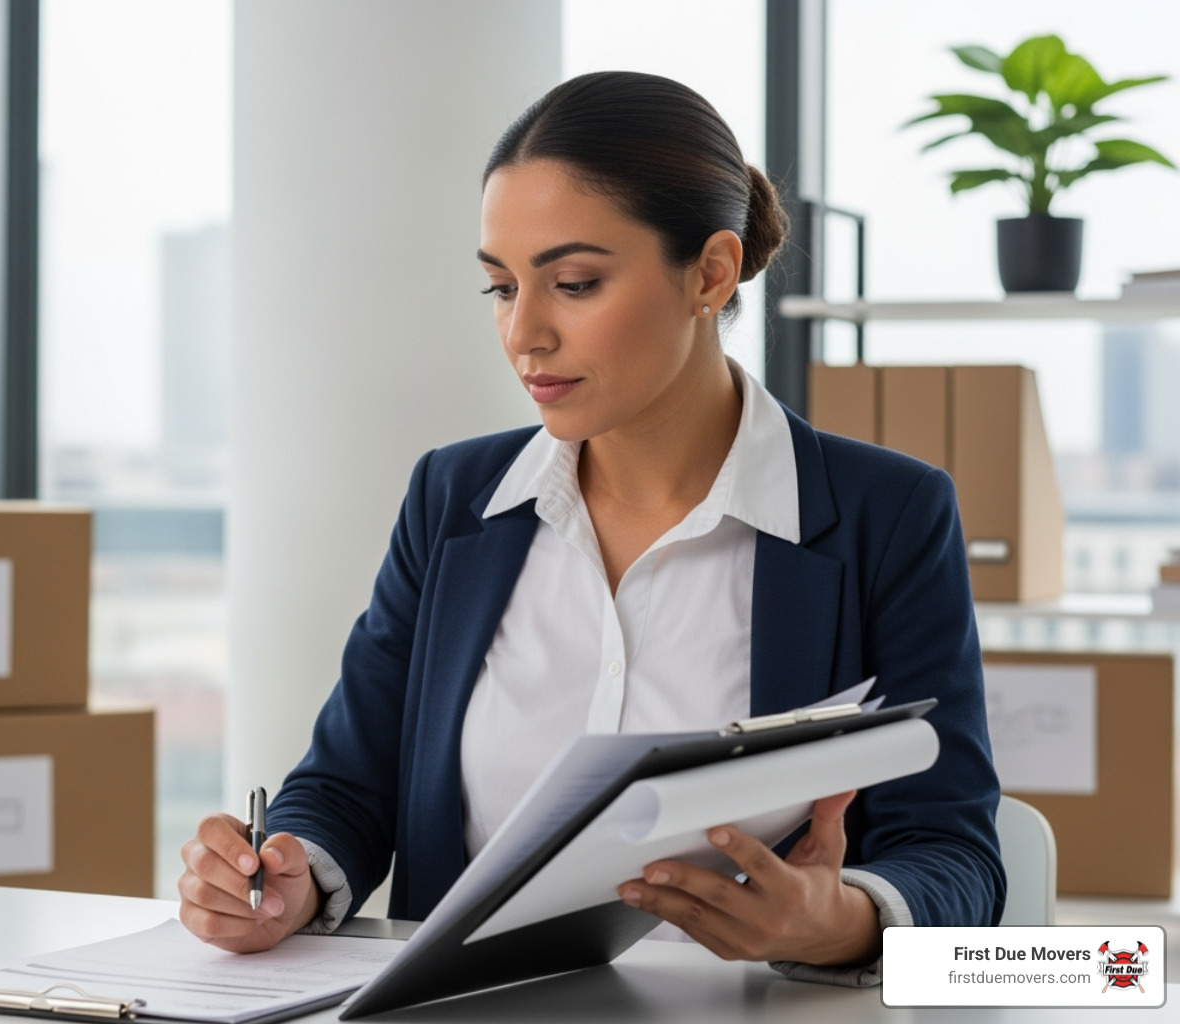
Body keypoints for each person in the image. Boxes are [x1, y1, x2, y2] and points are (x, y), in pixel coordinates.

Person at [178, 70, 1003, 986]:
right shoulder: (454, 499)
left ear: (711, 272)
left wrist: (832, 918)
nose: (524, 333)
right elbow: (346, 785)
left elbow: (956, 856)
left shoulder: (887, 517)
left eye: (573, 283)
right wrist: (286, 880)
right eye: (499, 288)